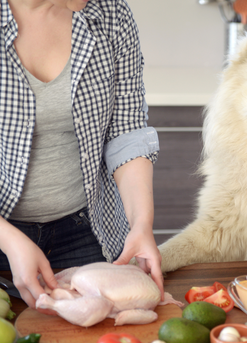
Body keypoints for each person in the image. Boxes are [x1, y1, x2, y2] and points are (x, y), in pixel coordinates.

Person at [0, 0, 164, 310]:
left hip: (84, 230)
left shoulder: (111, 13)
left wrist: (141, 224)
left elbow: (126, 130)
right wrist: (8, 240)